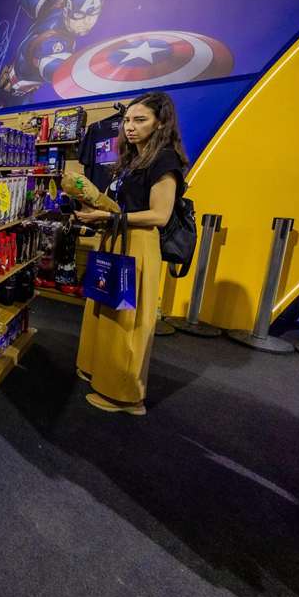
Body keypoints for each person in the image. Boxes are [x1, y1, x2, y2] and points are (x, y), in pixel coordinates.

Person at [72, 91, 188, 415]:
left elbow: (159, 215)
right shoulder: (132, 159)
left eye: (140, 120)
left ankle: (125, 396)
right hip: (116, 238)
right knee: (104, 310)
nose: (130, 127)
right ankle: (98, 371)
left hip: (138, 244)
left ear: (160, 123)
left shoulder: (164, 160)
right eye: (127, 120)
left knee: (127, 321)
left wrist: (110, 217)